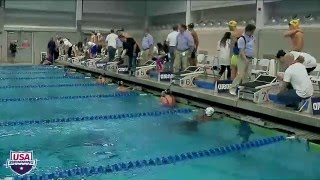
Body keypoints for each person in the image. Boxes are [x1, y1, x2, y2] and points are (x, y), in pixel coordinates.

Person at [229, 24, 256, 96]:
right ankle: (232, 88)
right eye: (252, 31)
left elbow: (252, 47)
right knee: (240, 74)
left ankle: (244, 89)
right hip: (243, 59)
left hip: (250, 58)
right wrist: (245, 59)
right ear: (248, 31)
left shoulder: (252, 37)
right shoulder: (242, 39)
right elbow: (241, 51)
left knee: (247, 75)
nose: (253, 32)